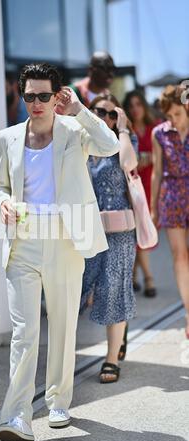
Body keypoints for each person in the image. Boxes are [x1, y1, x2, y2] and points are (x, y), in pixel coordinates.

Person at [0, 63, 120, 441]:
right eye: (29, 95)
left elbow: (110, 145)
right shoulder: (8, 137)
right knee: (24, 332)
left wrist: (80, 109)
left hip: (65, 239)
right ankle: (16, 416)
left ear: (57, 95)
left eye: (44, 95)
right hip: (23, 240)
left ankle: (58, 401)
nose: (36, 103)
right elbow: (0, 185)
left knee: (63, 326)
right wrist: (1, 202)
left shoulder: (74, 131)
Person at [80, 94, 138, 383]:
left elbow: (130, 165)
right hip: (86, 228)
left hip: (119, 231)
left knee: (113, 288)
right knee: (81, 286)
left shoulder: (121, 142)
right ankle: (120, 332)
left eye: (110, 113)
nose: (104, 118)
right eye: (97, 112)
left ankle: (111, 358)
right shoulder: (81, 141)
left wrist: (125, 129)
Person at [151, 85, 189, 340]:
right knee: (179, 255)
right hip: (172, 194)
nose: (173, 119)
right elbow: (156, 171)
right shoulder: (159, 133)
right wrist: (153, 209)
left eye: (177, 113)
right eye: (168, 115)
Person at [124, 90, 159, 297]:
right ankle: (148, 277)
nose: (135, 108)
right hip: (133, 188)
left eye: (138, 104)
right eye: (131, 105)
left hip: (151, 186)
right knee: (139, 232)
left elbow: (163, 155)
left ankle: (134, 275)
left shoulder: (155, 129)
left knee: (144, 231)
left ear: (144, 106)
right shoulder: (126, 131)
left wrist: (151, 157)